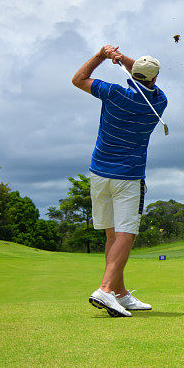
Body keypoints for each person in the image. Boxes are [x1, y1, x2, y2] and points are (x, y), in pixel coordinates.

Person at [72, 44, 168, 317]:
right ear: (154, 79)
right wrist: (123, 60)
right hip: (128, 178)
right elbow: (142, 76)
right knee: (127, 235)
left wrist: (103, 56)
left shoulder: (112, 93)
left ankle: (120, 293)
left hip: (99, 173)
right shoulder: (159, 102)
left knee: (113, 236)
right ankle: (104, 289)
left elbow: (77, 79)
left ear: (133, 73)